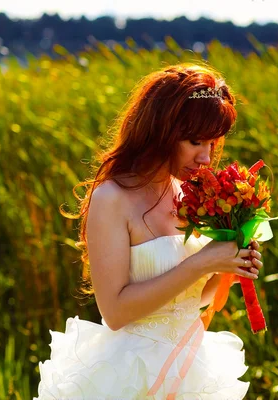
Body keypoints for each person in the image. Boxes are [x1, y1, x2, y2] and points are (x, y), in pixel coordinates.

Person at [35, 64, 263, 399]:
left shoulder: (192, 195)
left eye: (214, 143)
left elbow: (194, 299)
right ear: (161, 129)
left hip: (191, 364)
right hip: (130, 372)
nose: (206, 156)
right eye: (195, 141)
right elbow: (114, 312)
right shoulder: (111, 198)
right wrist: (200, 263)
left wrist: (227, 264)